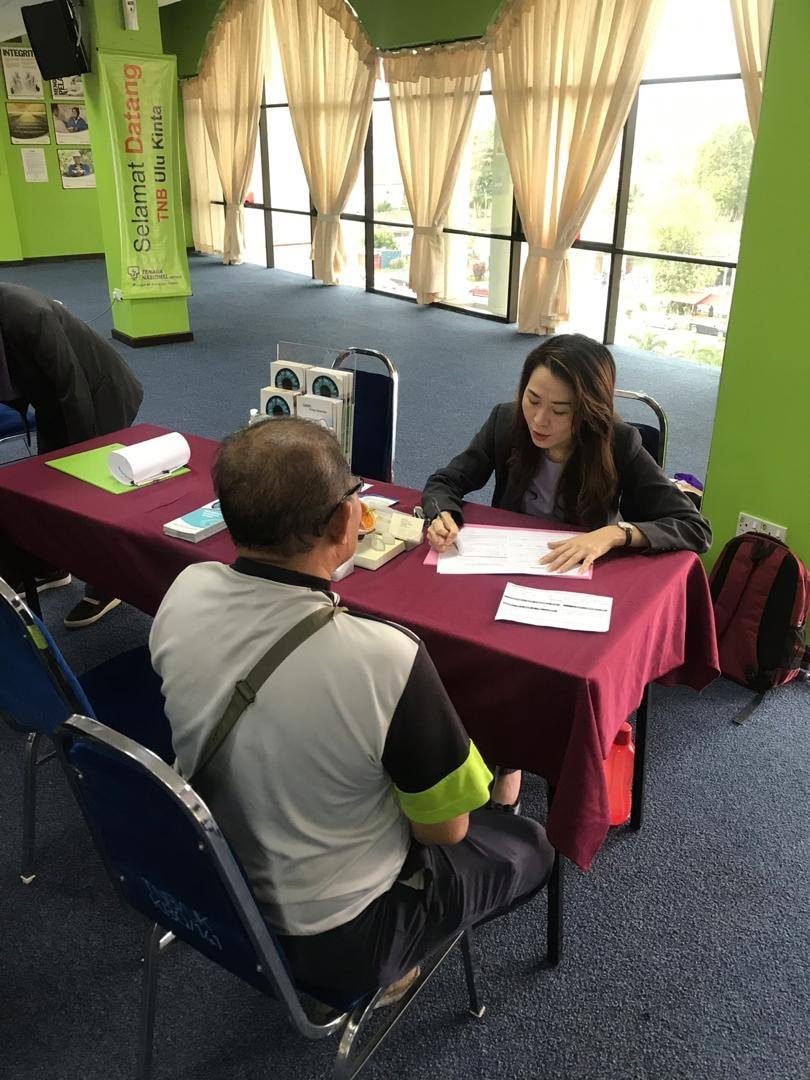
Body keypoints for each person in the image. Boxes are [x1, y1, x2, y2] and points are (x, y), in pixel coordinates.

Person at [150, 417, 554, 1001]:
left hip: (214, 885)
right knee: (530, 845)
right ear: (347, 523)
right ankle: (394, 967)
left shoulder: (184, 589)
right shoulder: (386, 656)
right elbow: (446, 829)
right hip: (340, 940)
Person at [423, 333, 712, 810]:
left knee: (541, 672)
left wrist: (615, 534)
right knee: (454, 643)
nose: (539, 418)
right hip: (503, 568)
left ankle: (510, 758)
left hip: (573, 583)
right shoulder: (504, 422)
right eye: (533, 400)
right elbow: (446, 481)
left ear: (589, 411)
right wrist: (439, 514)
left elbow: (693, 527)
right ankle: (467, 745)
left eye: (560, 410)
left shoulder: (618, 444)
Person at [0, 282, 143, 626]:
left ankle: (107, 585)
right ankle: (51, 566)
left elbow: (72, 384)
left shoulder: (30, 313)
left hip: (98, 393)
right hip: (53, 399)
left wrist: (84, 457)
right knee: (50, 487)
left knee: (92, 495)